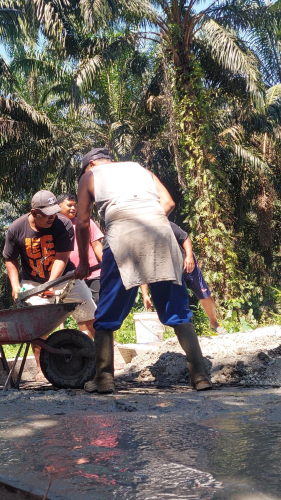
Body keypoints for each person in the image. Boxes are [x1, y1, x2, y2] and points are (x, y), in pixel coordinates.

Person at [74, 147, 212, 393]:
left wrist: (84, 262)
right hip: (161, 234)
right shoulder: (140, 169)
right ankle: (200, 376)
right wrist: (149, 221)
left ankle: (104, 378)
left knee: (107, 312)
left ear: (91, 164)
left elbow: (83, 222)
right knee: (177, 310)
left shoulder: (90, 176)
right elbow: (168, 202)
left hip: (122, 239)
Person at [3, 190, 98, 380]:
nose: (51, 218)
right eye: (46, 215)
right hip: (32, 282)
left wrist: (51, 283)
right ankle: (42, 371)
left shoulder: (62, 224)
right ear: (34, 212)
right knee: (38, 328)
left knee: (89, 315)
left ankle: (94, 363)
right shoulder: (16, 229)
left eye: (54, 213)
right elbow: (10, 259)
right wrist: (15, 285)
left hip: (65, 278)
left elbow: (62, 257)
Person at [140, 222, 227, 334]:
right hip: (170, 273)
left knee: (204, 294)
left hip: (187, 265)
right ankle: (182, 331)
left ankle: (214, 322)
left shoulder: (166, 224)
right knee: (175, 302)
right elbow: (143, 268)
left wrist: (189, 256)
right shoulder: (141, 239)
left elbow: (185, 238)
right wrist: (145, 294)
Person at [57, 193, 104, 304]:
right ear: (58, 207)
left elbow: (96, 245)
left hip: (92, 273)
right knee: (79, 310)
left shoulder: (85, 223)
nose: (73, 208)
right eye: (69, 205)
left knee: (101, 304)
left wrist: (107, 264)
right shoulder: (55, 227)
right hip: (69, 277)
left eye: (75, 205)